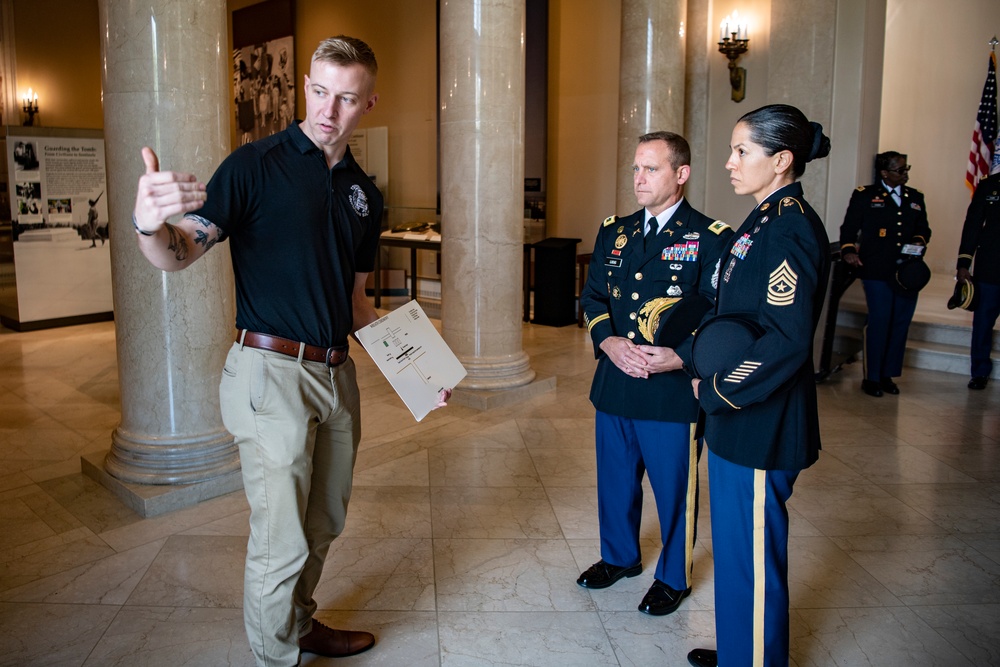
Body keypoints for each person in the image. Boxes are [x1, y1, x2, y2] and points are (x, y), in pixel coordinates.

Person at [132, 35, 448, 667]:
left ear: (368, 104)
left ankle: (299, 624)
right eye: (320, 91)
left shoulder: (364, 192)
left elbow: (359, 304)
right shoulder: (255, 165)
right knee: (280, 539)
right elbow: (183, 249)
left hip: (336, 376)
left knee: (324, 521)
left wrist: (420, 370)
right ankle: (275, 656)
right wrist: (149, 225)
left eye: (348, 99)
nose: (329, 110)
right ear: (307, 85)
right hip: (268, 372)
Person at [687, 104, 831, 667]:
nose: (728, 162)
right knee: (735, 551)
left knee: (751, 555)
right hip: (737, 419)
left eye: (742, 151)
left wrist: (718, 390)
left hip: (759, 420)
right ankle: (740, 654)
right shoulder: (763, 218)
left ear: (782, 160)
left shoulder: (790, 225)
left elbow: (785, 339)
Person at [578, 132, 732, 616]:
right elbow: (593, 298)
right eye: (636, 169)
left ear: (680, 174)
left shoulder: (710, 238)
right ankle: (619, 557)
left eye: (651, 169)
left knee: (673, 489)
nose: (638, 179)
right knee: (616, 480)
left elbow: (719, 315)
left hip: (670, 389)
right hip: (617, 378)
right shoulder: (614, 231)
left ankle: (673, 576)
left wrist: (682, 356)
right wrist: (607, 340)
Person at [839, 151, 931, 397]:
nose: (905, 173)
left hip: (907, 272)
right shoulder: (865, 195)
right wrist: (848, 250)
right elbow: (849, 228)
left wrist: (919, 242)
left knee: (900, 322)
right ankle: (872, 377)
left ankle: (888, 375)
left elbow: (924, 229)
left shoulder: (915, 197)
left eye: (906, 168)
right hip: (876, 270)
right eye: (900, 170)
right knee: (879, 322)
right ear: (884, 172)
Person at [957, 172, 1000, 390]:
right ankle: (979, 371)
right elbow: (973, 223)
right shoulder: (989, 185)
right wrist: (964, 261)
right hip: (991, 267)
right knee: (983, 322)